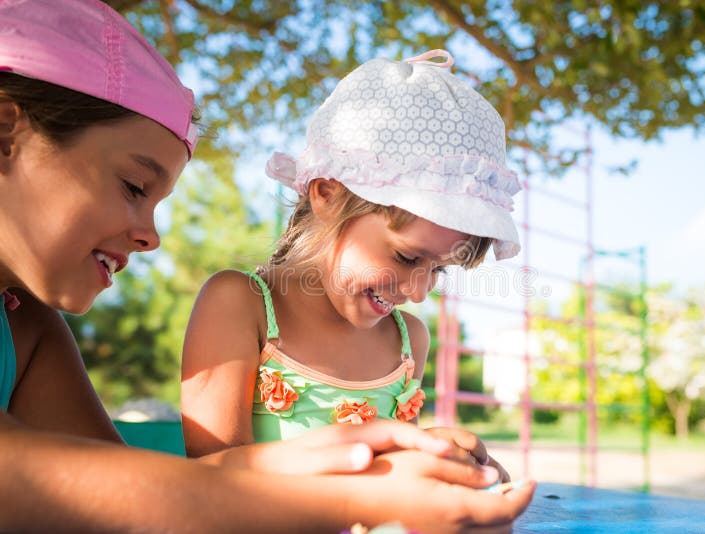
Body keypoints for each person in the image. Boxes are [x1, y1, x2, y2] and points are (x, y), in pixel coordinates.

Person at [0, 1, 534, 532]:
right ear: (6, 135)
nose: (151, 236)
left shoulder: (28, 328)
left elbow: (118, 500)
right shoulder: (242, 304)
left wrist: (398, 465)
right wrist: (349, 499)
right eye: (134, 186)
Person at [181, 50, 522, 481]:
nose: (418, 293)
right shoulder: (241, 306)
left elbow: (391, 483)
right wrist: (367, 452)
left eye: (438, 269)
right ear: (328, 195)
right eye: (406, 257)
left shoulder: (407, 339)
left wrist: (436, 465)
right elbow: (211, 475)